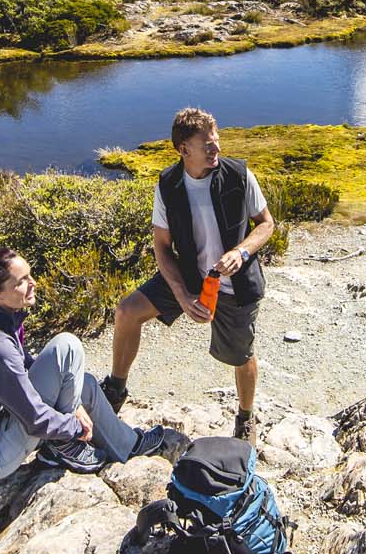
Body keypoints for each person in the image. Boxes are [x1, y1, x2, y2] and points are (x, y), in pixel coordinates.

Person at [0, 246, 187, 484]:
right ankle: (63, 446)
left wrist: (73, 404)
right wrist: (73, 426)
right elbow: (33, 418)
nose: (32, 283)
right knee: (66, 346)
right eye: (21, 281)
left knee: (84, 383)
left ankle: (127, 443)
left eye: (29, 275)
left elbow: (23, 374)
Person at [102, 107, 275, 442]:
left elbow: (266, 224)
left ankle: (245, 418)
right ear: (184, 150)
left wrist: (241, 252)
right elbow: (162, 247)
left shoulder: (239, 176)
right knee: (126, 312)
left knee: (241, 354)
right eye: (208, 145)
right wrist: (182, 296)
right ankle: (115, 388)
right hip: (190, 273)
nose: (217, 150)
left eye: (217, 142)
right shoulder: (168, 185)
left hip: (235, 283)